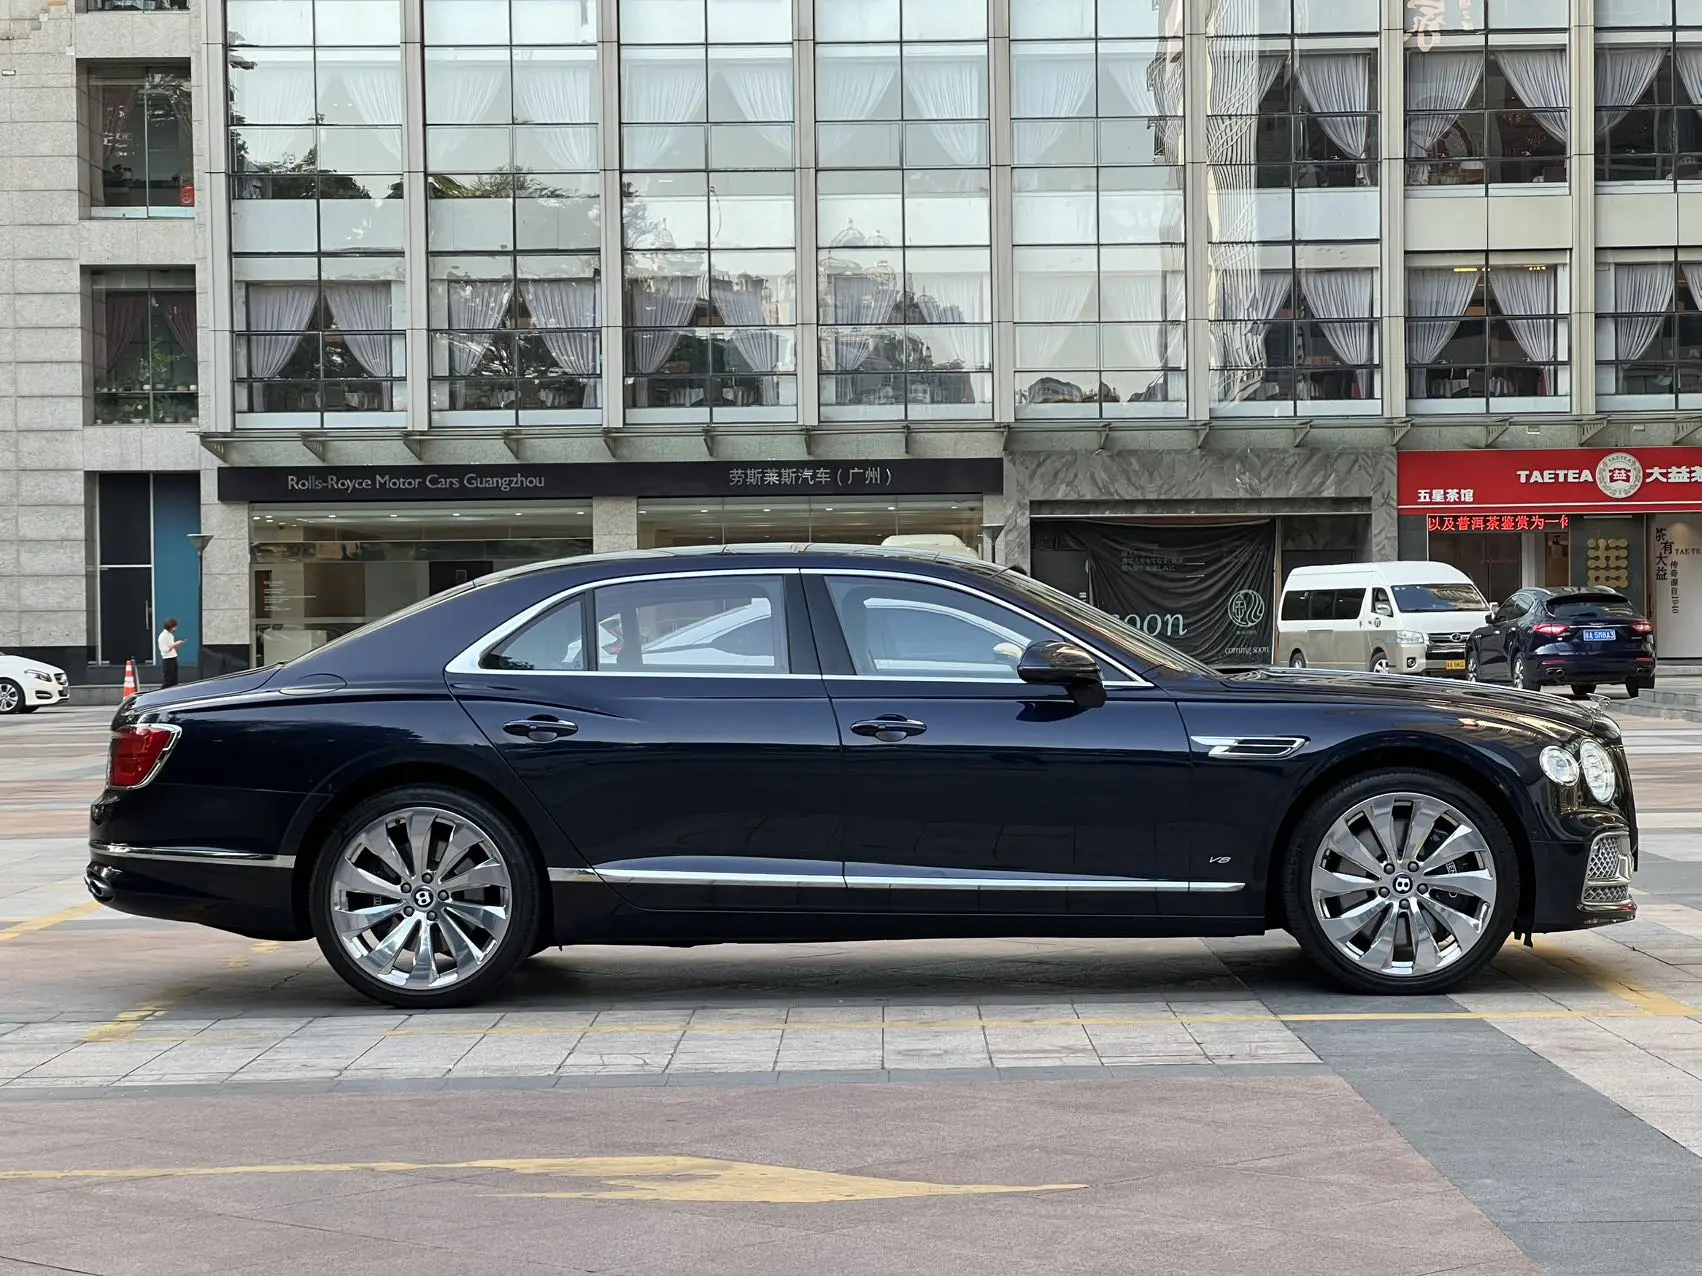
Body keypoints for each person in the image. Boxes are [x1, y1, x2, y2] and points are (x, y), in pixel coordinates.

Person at [157, 618, 184, 688]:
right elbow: (164, 650)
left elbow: (170, 646)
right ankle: (161, 692)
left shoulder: (170, 635)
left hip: (173, 657)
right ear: (171, 627)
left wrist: (177, 645)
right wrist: (175, 644)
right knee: (168, 681)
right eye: (175, 627)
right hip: (167, 659)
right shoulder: (163, 636)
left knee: (174, 680)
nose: (175, 628)